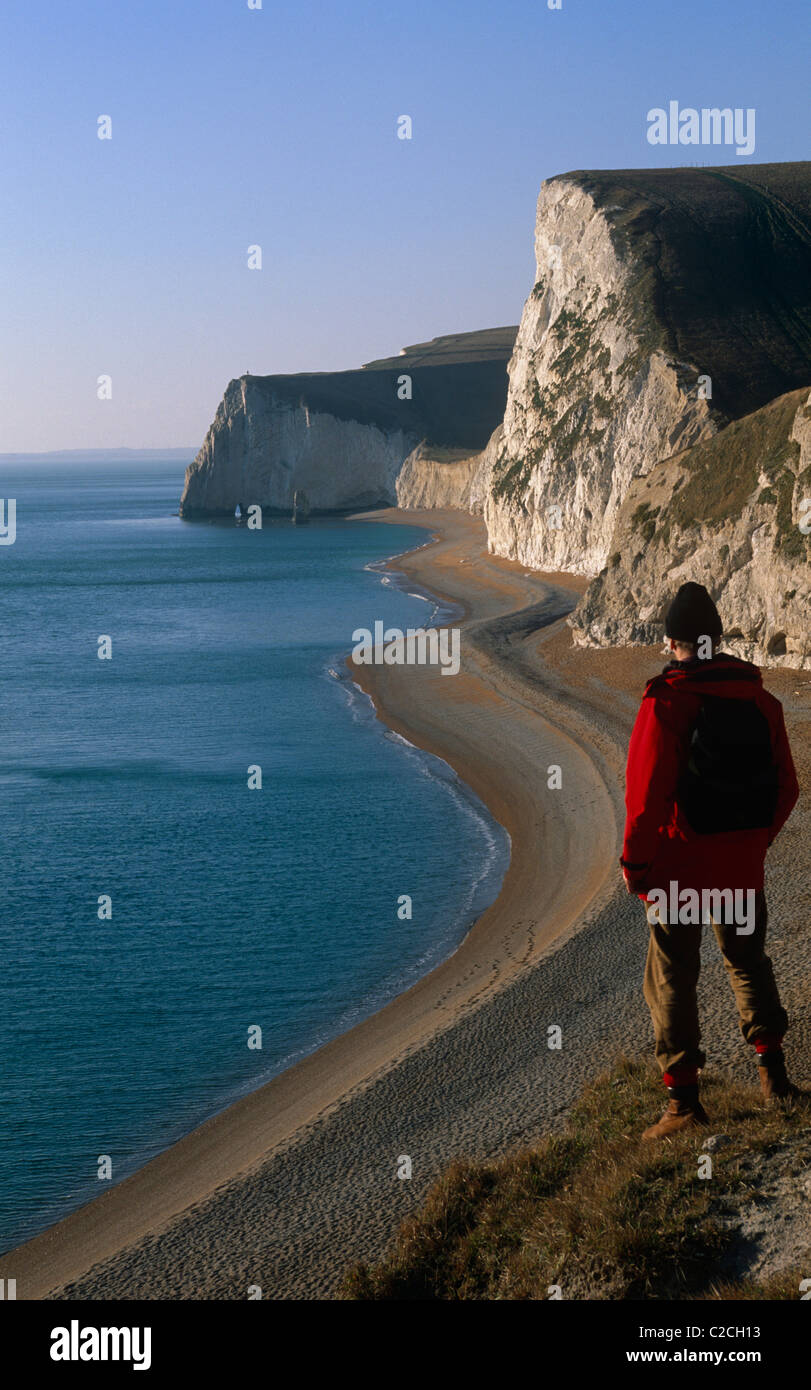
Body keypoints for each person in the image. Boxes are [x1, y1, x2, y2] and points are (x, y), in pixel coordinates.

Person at [620, 582, 802, 1140]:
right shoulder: (759, 699)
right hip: (741, 870)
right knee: (748, 962)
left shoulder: (667, 701)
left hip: (681, 868)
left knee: (672, 974)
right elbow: (788, 788)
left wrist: (636, 867)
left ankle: (683, 1105)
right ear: (716, 637)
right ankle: (774, 1077)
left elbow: (645, 800)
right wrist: (754, 843)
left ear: (673, 640)